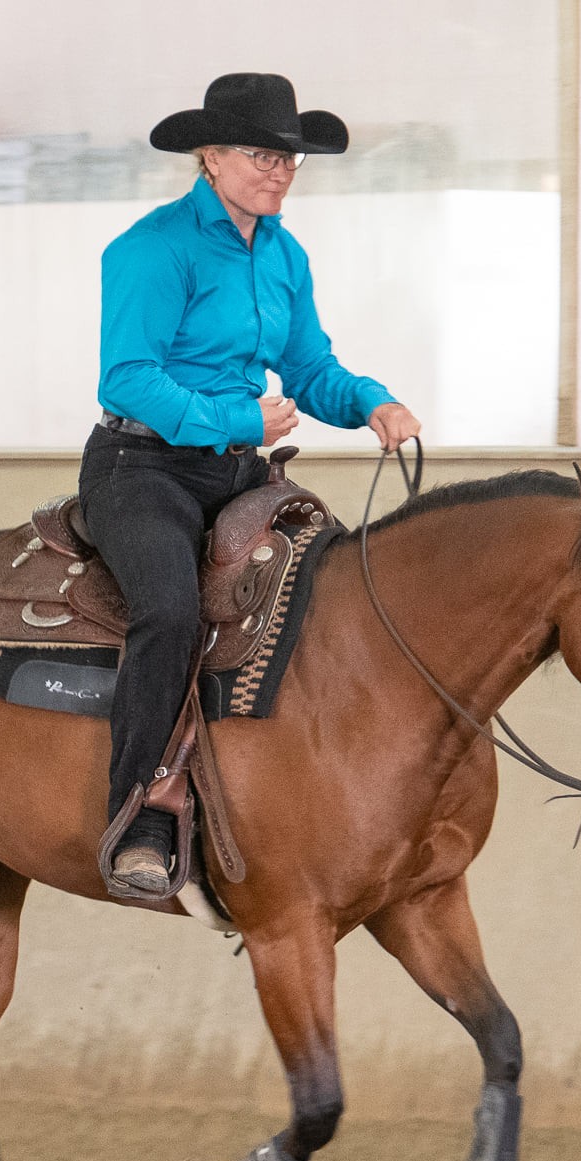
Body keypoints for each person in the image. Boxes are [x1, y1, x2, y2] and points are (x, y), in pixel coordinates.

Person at [84, 72, 422, 900]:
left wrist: (370, 400)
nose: (279, 171)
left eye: (290, 159)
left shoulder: (284, 254)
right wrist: (237, 417)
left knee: (333, 590)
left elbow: (308, 367)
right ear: (209, 155)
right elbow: (129, 378)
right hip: (143, 469)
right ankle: (141, 809)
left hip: (237, 469)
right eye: (262, 155)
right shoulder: (152, 248)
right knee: (167, 610)